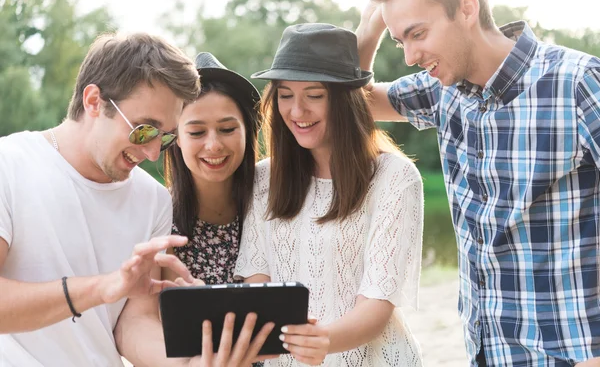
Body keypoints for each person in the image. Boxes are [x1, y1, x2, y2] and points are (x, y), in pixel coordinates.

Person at [356, 0, 600, 366]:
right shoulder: (443, 93)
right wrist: (367, 35)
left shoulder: (577, 83)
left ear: (467, 10)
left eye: (417, 34)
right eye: (400, 40)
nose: (410, 56)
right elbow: (352, 105)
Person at [0, 32, 272, 367]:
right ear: (94, 101)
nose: (153, 152)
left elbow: (133, 322)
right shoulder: (8, 165)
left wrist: (190, 365)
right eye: (143, 130)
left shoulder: (153, 200)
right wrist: (102, 288)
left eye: (166, 136)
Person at [234, 23, 424, 367]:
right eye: (285, 94)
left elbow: (378, 302)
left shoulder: (395, 178)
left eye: (314, 95)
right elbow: (257, 278)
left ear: (344, 99)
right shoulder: (263, 177)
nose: (296, 111)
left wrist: (323, 341)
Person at [162, 52, 261, 286]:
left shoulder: (273, 200)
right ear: (176, 136)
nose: (214, 146)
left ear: (248, 130)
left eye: (227, 129)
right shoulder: (159, 217)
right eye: (197, 132)